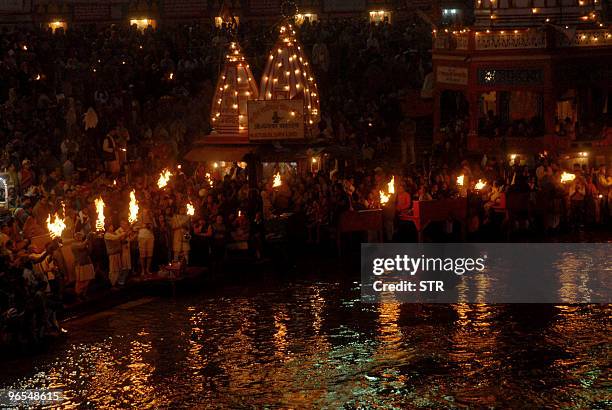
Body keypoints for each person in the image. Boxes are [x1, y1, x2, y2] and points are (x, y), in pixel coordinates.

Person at [71, 232, 95, 299]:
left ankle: (84, 294)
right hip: (80, 265)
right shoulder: (73, 245)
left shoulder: (84, 243)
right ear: (74, 238)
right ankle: (78, 294)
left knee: (88, 280)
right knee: (80, 281)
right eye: (77, 236)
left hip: (87, 263)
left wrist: (90, 242)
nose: (79, 237)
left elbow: (89, 251)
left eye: (80, 236)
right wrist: (88, 237)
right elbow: (82, 246)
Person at [104, 223, 124, 288]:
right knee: (113, 270)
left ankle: (116, 283)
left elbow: (120, 238)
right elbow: (116, 238)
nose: (112, 227)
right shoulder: (107, 235)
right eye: (111, 226)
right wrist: (124, 233)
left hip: (117, 253)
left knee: (118, 269)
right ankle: (112, 285)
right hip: (112, 254)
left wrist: (127, 233)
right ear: (107, 227)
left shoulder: (114, 233)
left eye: (112, 226)